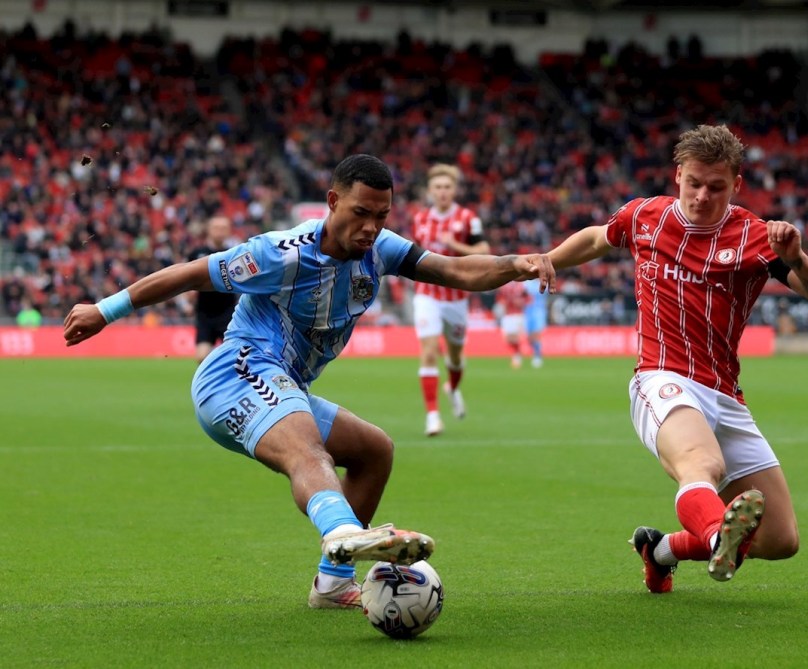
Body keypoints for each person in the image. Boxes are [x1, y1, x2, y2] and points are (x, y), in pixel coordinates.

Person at [63, 155, 554, 610]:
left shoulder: (380, 249)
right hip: (236, 374)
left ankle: (333, 583)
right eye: (361, 213)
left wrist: (515, 264)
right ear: (333, 201)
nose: (371, 227)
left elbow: (453, 270)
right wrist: (105, 310)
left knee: (374, 451)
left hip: (284, 388)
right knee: (307, 450)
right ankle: (342, 532)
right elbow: (191, 274)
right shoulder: (280, 254)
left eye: (381, 215)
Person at [542, 125, 808, 592]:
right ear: (678, 175)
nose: (702, 196)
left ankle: (661, 550)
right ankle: (719, 534)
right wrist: (548, 259)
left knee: (780, 539)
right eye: (694, 183)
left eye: (716, 187)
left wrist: (798, 259)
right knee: (700, 464)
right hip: (662, 377)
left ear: (736, 184)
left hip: (725, 394)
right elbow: (598, 238)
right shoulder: (645, 216)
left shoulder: (756, 236)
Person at [411, 164, 490, 436]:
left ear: (454, 190)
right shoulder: (420, 219)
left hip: (456, 297)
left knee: (455, 356)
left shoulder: (468, 218)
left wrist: (455, 245)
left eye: (447, 187)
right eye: (438, 187)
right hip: (427, 294)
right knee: (429, 350)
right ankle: (432, 416)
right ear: (430, 191)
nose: (442, 192)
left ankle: (453, 388)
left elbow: (484, 250)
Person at [188, 215, 238, 363]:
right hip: (205, 313)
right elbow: (187, 280)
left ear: (229, 231)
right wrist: (188, 299)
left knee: (233, 357)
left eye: (224, 228)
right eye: (216, 228)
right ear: (208, 230)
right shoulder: (197, 253)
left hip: (229, 312)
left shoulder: (234, 253)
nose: (220, 232)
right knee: (201, 357)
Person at [494, 279, 530, 368]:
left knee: (515, 337)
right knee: (507, 339)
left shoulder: (521, 286)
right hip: (507, 315)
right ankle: (517, 351)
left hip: (517, 314)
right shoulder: (504, 286)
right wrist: (502, 302)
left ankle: (517, 355)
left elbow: (528, 298)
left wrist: (521, 302)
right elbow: (499, 298)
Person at [523, 277, 548, 368]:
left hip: (539, 311)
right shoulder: (526, 284)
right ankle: (535, 352)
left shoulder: (543, 282)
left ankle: (537, 355)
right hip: (528, 311)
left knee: (536, 334)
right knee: (529, 337)